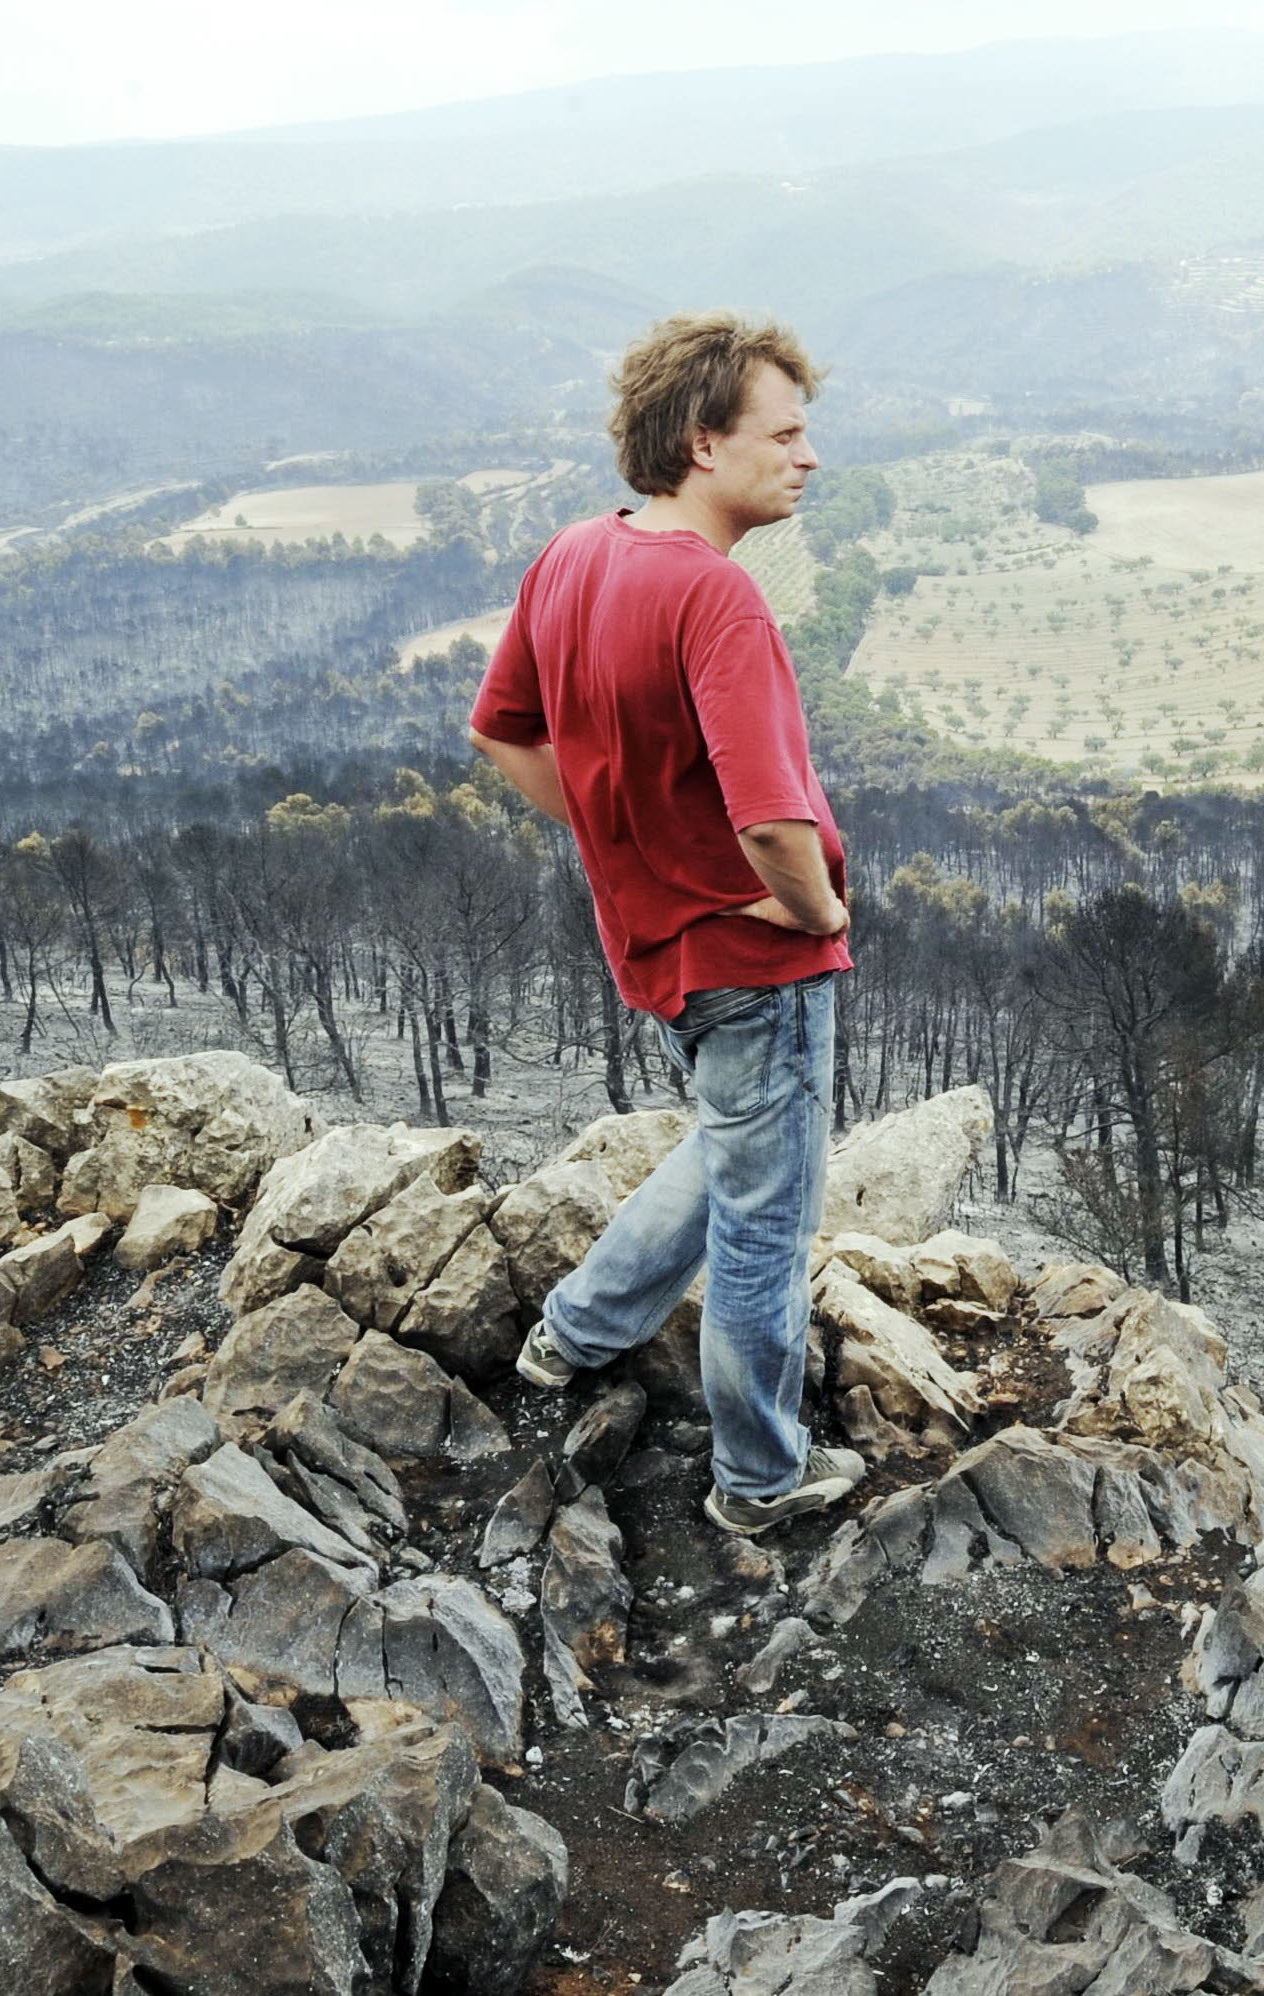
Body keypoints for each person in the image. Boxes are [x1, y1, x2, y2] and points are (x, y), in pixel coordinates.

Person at [464, 312, 868, 1537]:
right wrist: (818, 907)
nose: (807, 457)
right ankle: (760, 1477)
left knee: (730, 1143)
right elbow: (768, 820)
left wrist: (619, 848)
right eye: (784, 434)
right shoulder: (718, 600)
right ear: (704, 442)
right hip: (754, 957)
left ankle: (571, 1335)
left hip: (659, 950)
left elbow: (500, 733)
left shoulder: (578, 555)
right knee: (764, 1221)